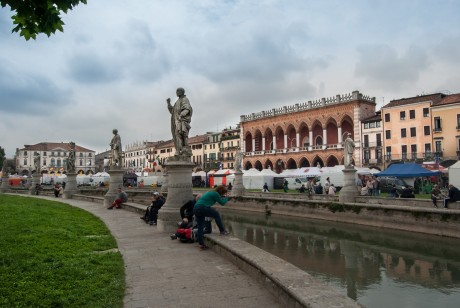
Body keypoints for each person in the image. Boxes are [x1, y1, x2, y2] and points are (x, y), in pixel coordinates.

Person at [193, 185, 230, 250]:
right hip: (202, 207)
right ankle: (222, 231)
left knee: (200, 227)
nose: (223, 194)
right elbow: (222, 203)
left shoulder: (210, 192)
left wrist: (223, 197)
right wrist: (227, 198)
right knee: (216, 214)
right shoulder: (216, 194)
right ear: (221, 192)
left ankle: (201, 244)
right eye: (223, 193)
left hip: (196, 208)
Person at [167, 87, 193, 156]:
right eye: (176, 91)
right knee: (177, 135)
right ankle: (179, 150)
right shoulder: (177, 101)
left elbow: (187, 108)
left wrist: (181, 115)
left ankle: (182, 150)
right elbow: (173, 112)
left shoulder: (185, 99)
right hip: (176, 121)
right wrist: (169, 104)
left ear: (182, 92)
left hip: (182, 120)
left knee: (181, 134)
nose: (177, 92)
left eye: (178, 91)